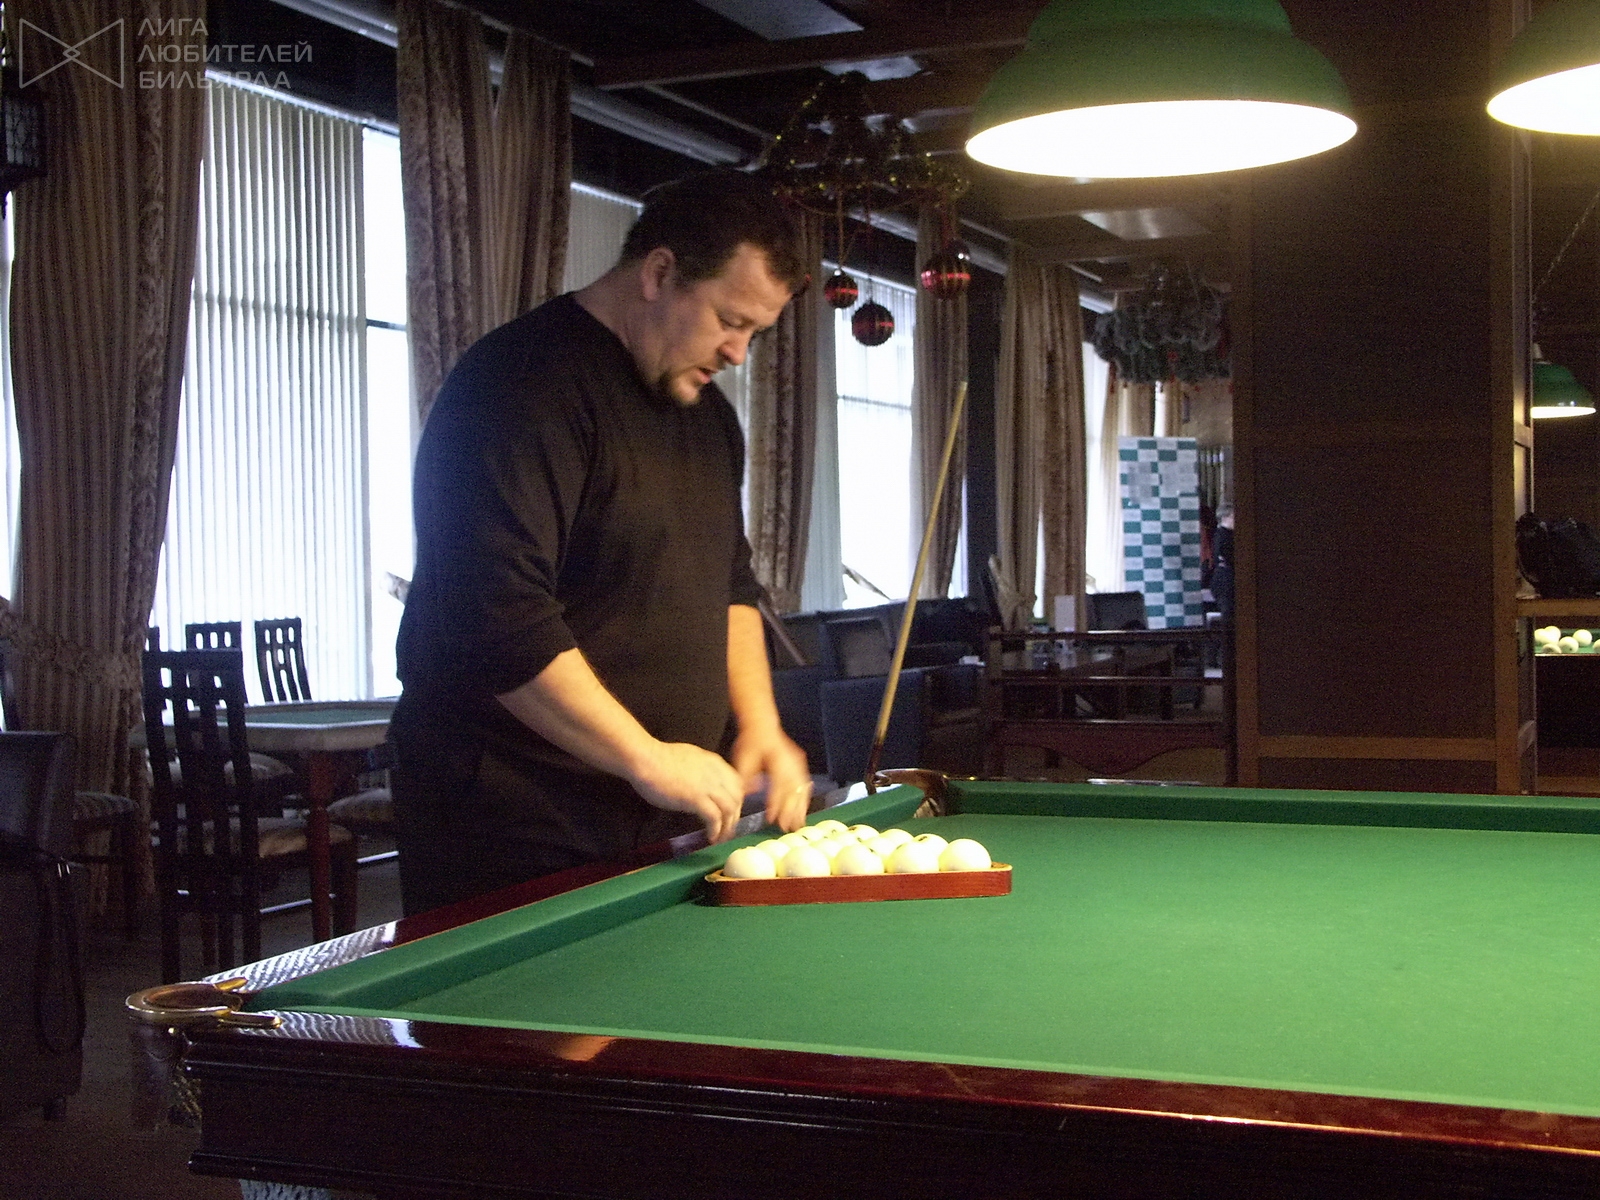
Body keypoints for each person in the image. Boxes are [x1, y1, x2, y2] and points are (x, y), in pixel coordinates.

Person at [390, 172, 812, 914]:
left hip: (660, 817)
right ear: (659, 273)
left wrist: (761, 725)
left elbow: (731, 585)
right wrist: (645, 756)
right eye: (729, 320)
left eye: (756, 332)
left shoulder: (711, 420)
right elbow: (499, 618)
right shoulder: (519, 385)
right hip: (514, 827)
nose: (739, 353)